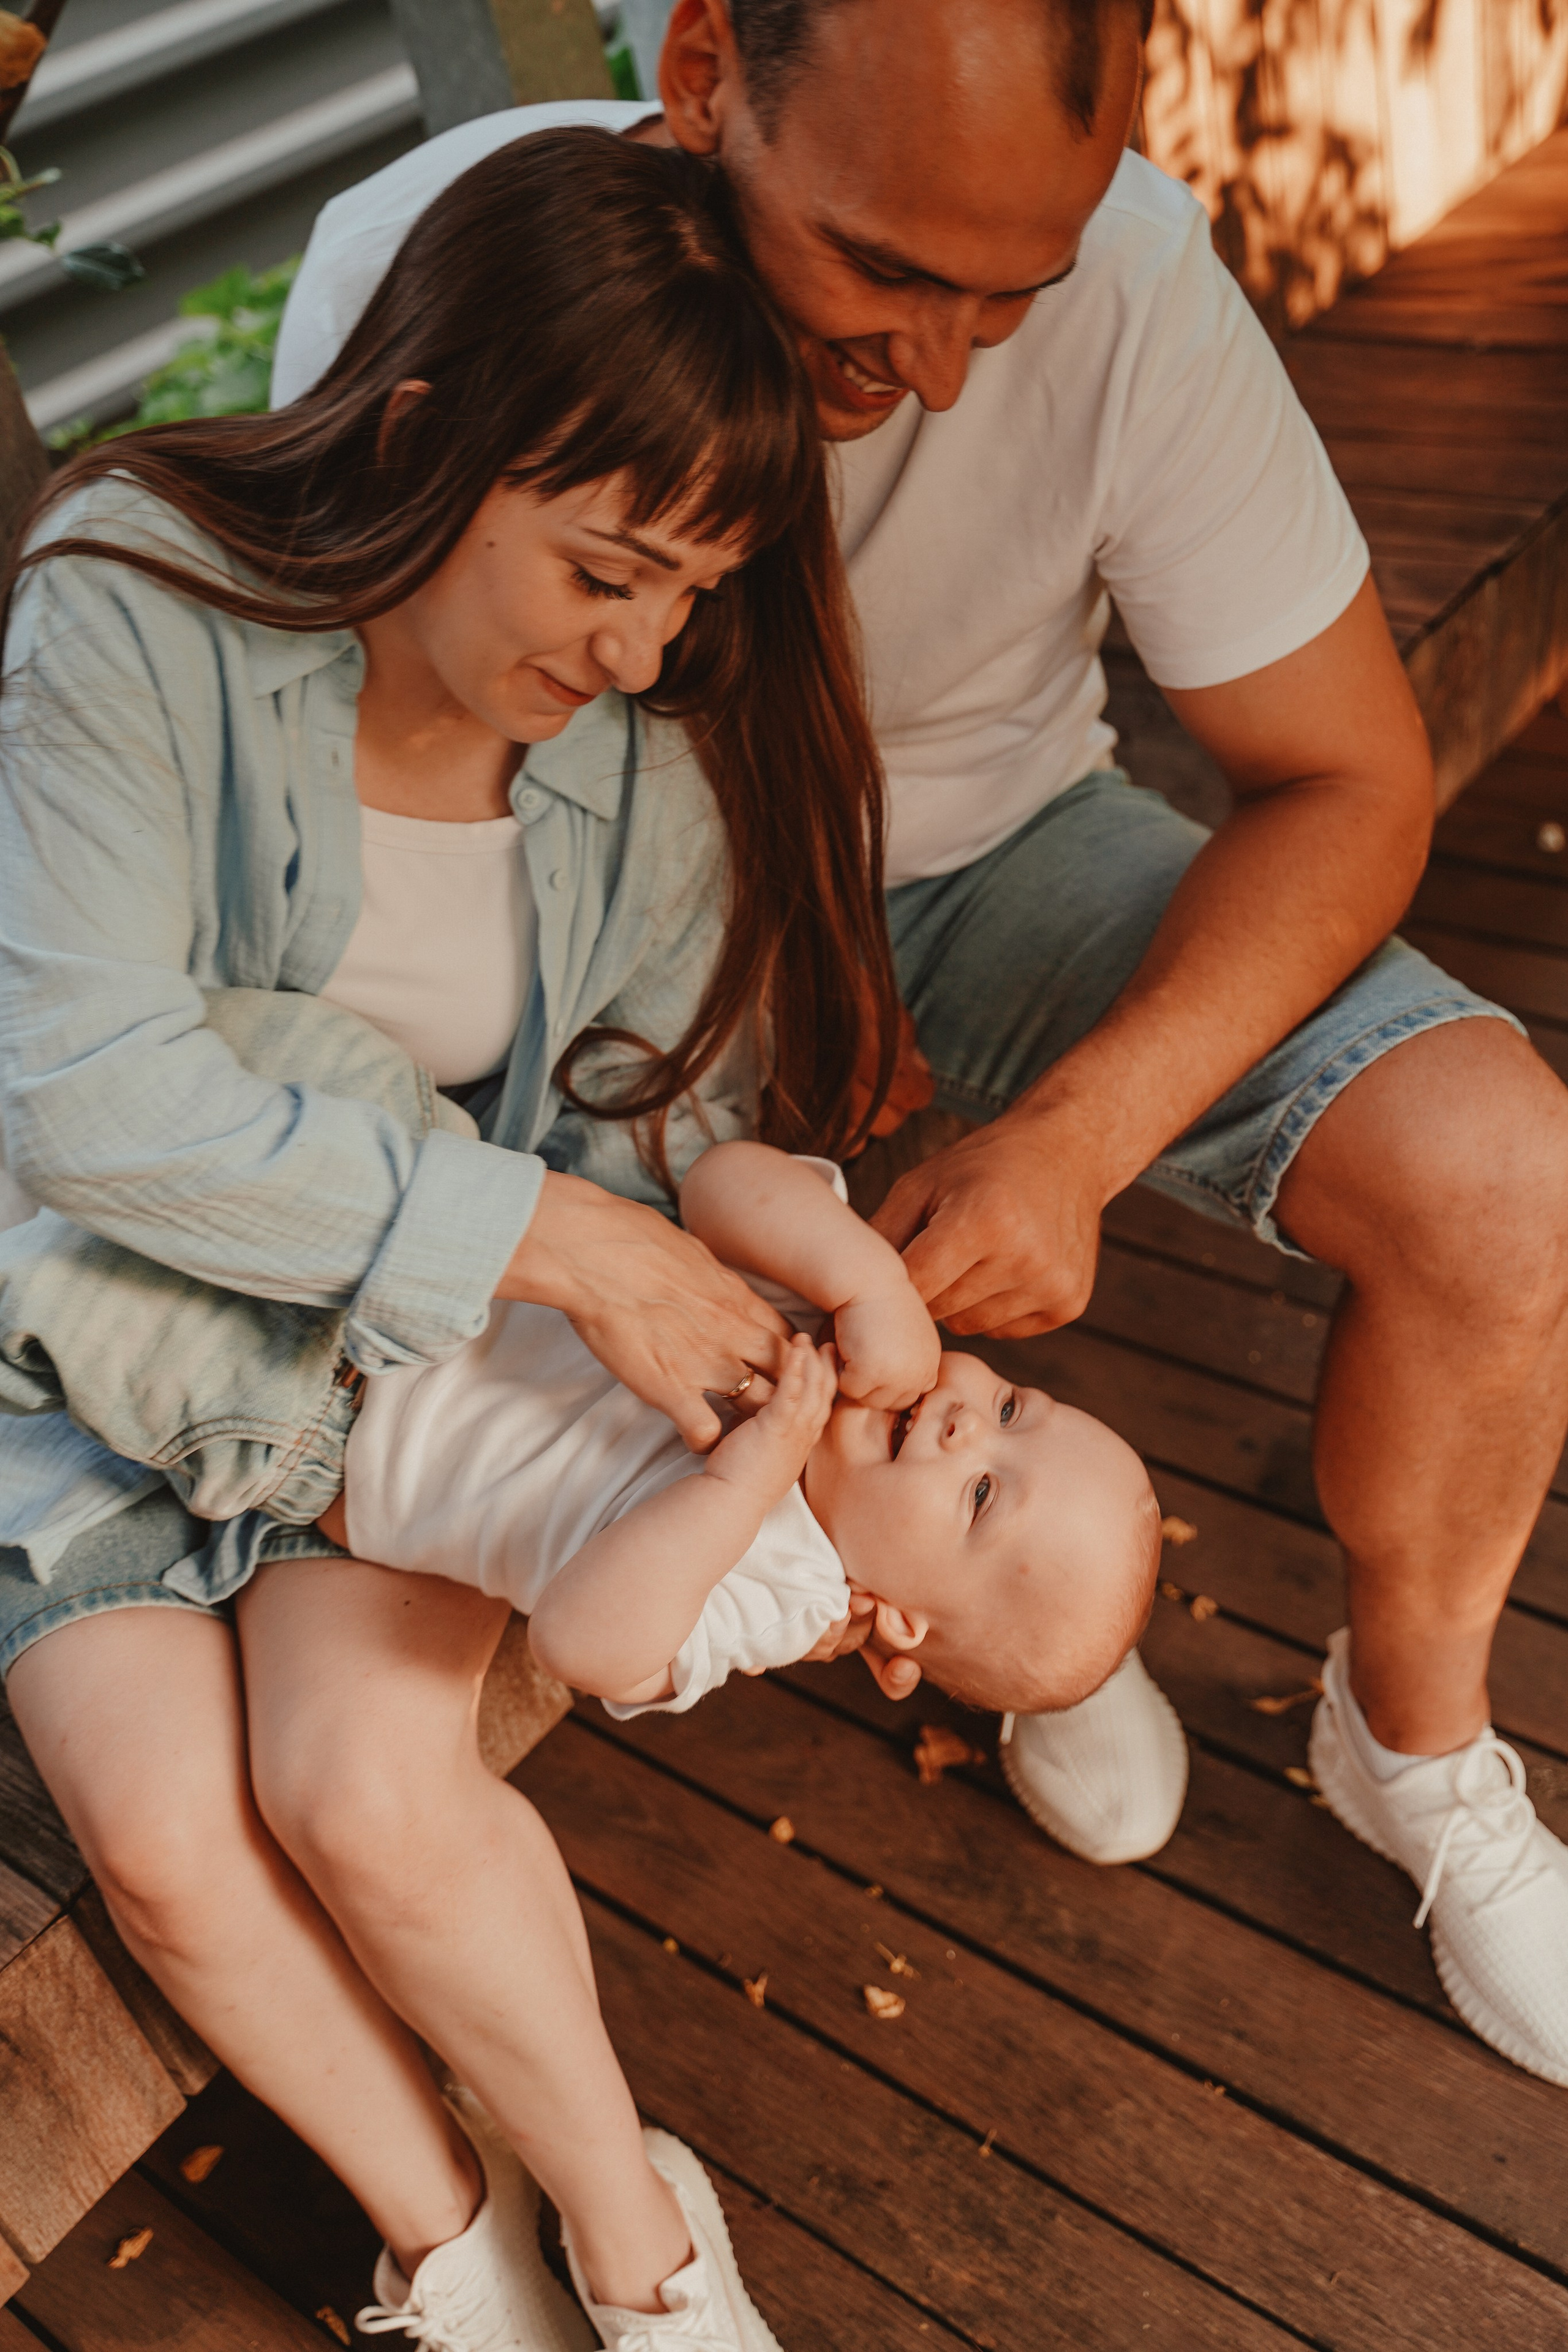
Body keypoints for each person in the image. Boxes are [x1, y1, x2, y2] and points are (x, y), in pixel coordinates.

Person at [269, 0, 1568, 2089]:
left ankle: (1410, 1751)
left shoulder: (1138, 281)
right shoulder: (432, 255)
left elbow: (1354, 784)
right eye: (882, 269)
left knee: (1510, 1179)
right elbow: (371, 800)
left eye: (1009, 295)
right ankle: (998, 1615)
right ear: (703, 76)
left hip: (991, 856)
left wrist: (1085, 1126)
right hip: (596, 921)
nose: (943, 370)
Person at [0, 129, 908, 2351]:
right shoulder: (133, 598)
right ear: (428, 437)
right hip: (62, 1352)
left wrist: (808, 1280)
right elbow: (80, 1091)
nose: (644, 644)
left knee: (358, 1783)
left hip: (368, 1390)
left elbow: (653, 1126)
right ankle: (459, 2249)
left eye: (691, 589)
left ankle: (633, 2231)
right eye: (605, 567)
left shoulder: (645, 770)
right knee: (162, 1839)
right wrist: (569, 1254)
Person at [0, 1038, 1161, 1718]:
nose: (969, 1425)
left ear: (898, 1617)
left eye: (981, 1495)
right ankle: (71, 1048)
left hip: (315, 1413)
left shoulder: (787, 1588)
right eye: (1013, 1405)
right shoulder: (842, 1325)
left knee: (71, 1291)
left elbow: (583, 1645)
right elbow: (724, 1184)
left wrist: (736, 1486)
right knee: (275, 1061)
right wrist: (867, 1281)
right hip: (439, 1207)